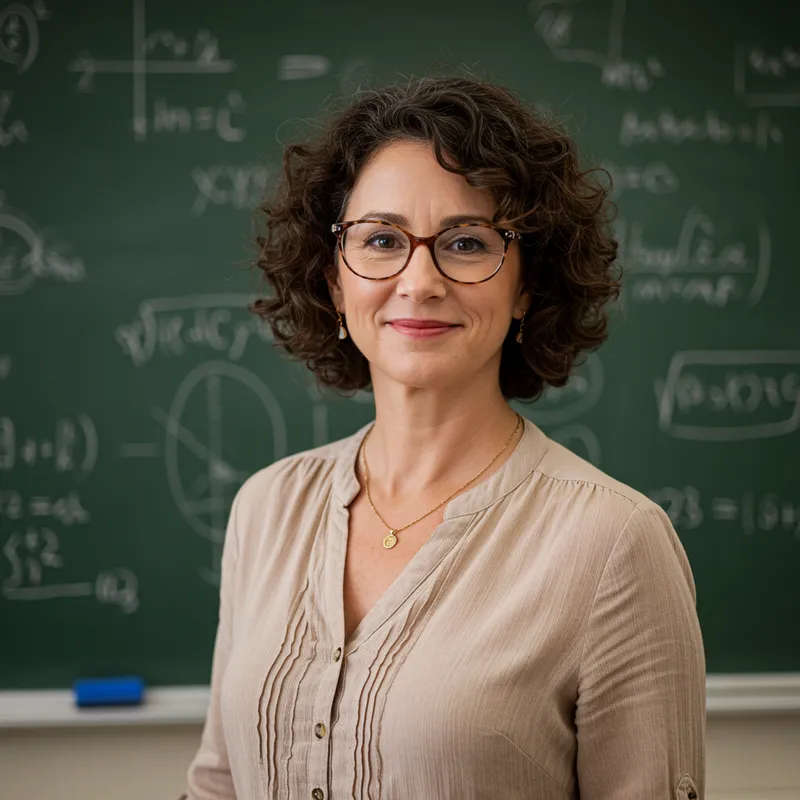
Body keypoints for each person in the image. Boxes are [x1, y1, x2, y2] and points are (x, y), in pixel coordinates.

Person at [181, 75, 706, 800]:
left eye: (465, 242)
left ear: (526, 285)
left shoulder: (616, 543)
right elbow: (218, 783)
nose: (419, 280)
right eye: (380, 239)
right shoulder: (267, 508)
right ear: (335, 282)